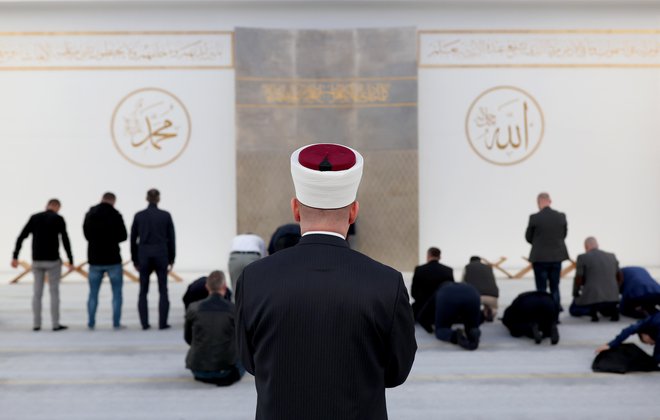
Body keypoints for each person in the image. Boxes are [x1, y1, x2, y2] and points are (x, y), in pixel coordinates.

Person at [236, 143, 417, 420]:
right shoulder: (387, 283)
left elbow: (251, 362)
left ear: (295, 209)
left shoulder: (255, 278)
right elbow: (396, 373)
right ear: (354, 212)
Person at [12, 199, 73, 332]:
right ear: (57, 207)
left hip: (37, 260)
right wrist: (71, 260)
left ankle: (36, 324)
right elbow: (65, 239)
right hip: (53, 261)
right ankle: (55, 324)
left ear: (47, 205)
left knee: (37, 293)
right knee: (54, 292)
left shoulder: (35, 218)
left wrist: (15, 256)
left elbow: (21, 236)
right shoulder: (58, 219)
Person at [185, 270, 244, 386]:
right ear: (225, 287)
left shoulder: (193, 308)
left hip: (198, 370)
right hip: (225, 371)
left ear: (207, 286)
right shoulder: (234, 309)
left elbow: (188, 338)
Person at [130, 188, 175, 330]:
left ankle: (144, 323)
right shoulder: (165, 215)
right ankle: (162, 323)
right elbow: (171, 239)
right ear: (158, 199)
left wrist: (135, 259)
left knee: (143, 290)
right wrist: (172, 258)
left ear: (146, 198)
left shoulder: (139, 216)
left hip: (144, 255)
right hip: (161, 254)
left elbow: (133, 239)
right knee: (163, 290)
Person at [83, 192, 128, 330]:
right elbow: (123, 236)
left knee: (93, 293)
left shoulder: (90, 213)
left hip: (95, 259)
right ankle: (116, 322)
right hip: (113, 258)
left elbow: (86, 234)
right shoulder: (116, 215)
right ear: (113, 201)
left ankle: (91, 322)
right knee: (116, 294)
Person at [525, 192, 569, 313]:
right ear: (550, 201)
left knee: (541, 289)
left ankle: (543, 313)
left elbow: (528, 238)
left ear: (539, 202)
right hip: (556, 257)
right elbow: (564, 235)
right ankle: (555, 313)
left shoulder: (534, 218)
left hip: (539, 258)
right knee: (555, 287)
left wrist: (539, 243)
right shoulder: (561, 216)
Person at [569, 237, 621, 322]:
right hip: (613, 299)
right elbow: (619, 276)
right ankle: (610, 311)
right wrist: (616, 291)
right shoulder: (612, 256)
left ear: (586, 247)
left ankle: (592, 312)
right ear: (597, 245)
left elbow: (579, 278)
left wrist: (575, 293)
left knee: (573, 309)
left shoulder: (582, 257)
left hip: (594, 299)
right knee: (606, 306)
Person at [595, 312, 660, 366]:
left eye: (649, 343)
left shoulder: (652, 323)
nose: (652, 344)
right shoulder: (650, 321)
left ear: (644, 335)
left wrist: (610, 345)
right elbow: (628, 330)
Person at [433, 282, 481, 350]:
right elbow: (479, 316)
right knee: (473, 326)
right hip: (473, 295)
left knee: (441, 329)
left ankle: (455, 335)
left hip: (447, 297)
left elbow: (424, 314)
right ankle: (474, 334)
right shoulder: (469, 287)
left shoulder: (440, 291)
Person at [411, 247, 454, 319]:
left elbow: (414, 292)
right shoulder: (448, 270)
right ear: (439, 257)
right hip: (442, 309)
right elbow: (451, 292)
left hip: (422, 309)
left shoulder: (419, 269)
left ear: (428, 255)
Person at [462, 256, 499, 322]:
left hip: (475, 295)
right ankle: (489, 312)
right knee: (491, 307)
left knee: (471, 309)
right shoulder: (489, 267)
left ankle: (479, 314)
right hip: (493, 295)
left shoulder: (467, 267)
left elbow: (463, 283)